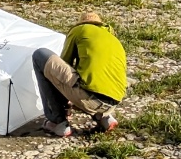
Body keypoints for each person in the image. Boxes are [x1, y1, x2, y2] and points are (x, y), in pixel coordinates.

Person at [32, 9, 127, 137]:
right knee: (94, 79)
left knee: (40, 56)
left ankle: (57, 122)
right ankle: (105, 118)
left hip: (90, 99)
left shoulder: (80, 30)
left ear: (81, 23)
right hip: (113, 102)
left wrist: (65, 103)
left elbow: (64, 65)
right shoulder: (114, 40)